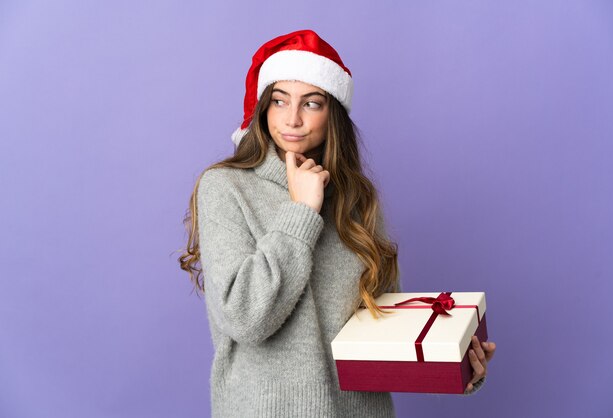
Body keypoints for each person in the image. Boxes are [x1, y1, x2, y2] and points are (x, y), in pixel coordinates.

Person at [179, 29, 496, 418]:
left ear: (333, 113)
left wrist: (456, 366)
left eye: (311, 103)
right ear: (263, 108)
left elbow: (378, 333)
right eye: (279, 101)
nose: (292, 119)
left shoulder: (355, 199)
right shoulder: (225, 188)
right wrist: (302, 212)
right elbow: (245, 319)